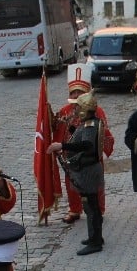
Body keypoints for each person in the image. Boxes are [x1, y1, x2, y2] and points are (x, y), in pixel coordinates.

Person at [53, 66, 114, 224]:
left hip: (89, 157)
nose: (76, 95)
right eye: (73, 92)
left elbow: (102, 133)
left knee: (94, 186)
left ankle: (97, 210)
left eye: (79, 92)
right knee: (71, 184)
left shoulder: (97, 111)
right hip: (71, 157)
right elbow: (59, 129)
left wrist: (102, 150)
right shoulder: (64, 110)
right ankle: (74, 209)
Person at [48, 92, 106, 255]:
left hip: (88, 171)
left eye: (78, 106)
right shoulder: (88, 123)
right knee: (90, 207)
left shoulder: (90, 125)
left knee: (91, 207)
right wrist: (71, 128)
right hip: (88, 169)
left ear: (85, 108)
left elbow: (87, 145)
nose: (76, 108)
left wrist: (62, 146)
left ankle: (95, 242)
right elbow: (82, 137)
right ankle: (95, 236)